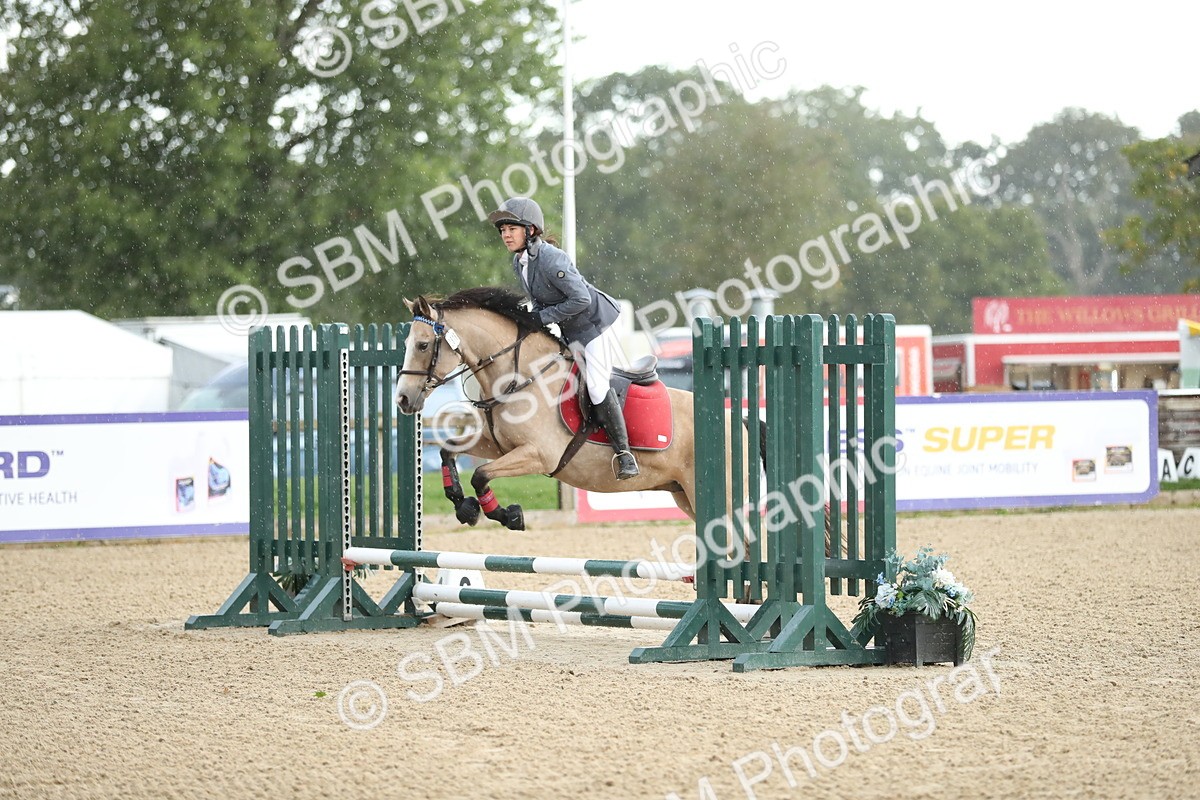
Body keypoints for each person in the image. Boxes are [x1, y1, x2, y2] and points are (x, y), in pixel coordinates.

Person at [487, 196, 639, 480]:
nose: (505, 235)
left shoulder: (551, 258)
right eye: (503, 230)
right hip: (571, 329)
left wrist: (541, 318)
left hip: (596, 325)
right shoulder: (520, 262)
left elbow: (580, 299)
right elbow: (543, 301)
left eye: (511, 229)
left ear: (530, 230)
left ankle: (624, 453)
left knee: (595, 386)